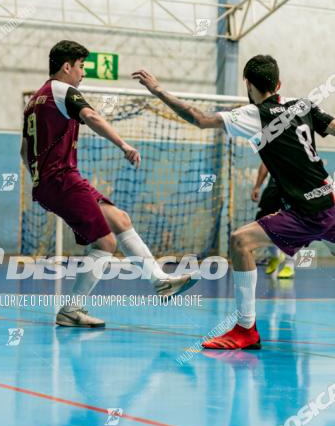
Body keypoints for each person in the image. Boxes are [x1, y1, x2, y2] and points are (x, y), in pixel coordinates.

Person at [133, 55, 335, 349]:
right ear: (278, 84)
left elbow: (199, 118)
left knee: (241, 241)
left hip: (305, 213)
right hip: (329, 202)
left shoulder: (256, 115)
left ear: (248, 84)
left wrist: (159, 90)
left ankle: (245, 330)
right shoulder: (301, 105)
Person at [21, 40, 194, 328]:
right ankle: (71, 310)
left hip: (54, 180)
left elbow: (24, 150)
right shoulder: (64, 90)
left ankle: (161, 281)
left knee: (120, 219)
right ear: (67, 66)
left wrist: (38, 179)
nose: (83, 73)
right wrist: (123, 144)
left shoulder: (34, 100)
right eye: (81, 66)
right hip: (62, 178)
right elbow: (90, 115)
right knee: (106, 241)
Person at [251, 162, 295, 278]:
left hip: (293, 189)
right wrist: (257, 186)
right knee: (265, 225)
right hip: (273, 189)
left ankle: (289, 265)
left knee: (291, 227)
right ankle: (274, 256)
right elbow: (265, 163)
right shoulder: (270, 145)